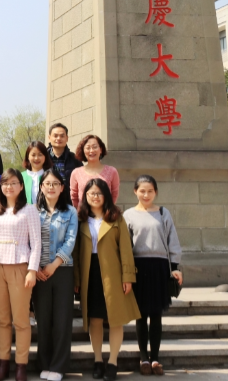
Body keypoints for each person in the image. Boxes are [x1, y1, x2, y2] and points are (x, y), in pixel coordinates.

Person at [73, 178, 140, 381]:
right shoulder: (80, 219)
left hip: (113, 273)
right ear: (85, 196)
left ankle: (112, 361)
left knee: (115, 319)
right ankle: (97, 360)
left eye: (99, 193)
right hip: (90, 272)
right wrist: (77, 279)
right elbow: (76, 253)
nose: (95, 197)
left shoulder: (116, 218)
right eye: (91, 193)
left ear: (106, 196)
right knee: (94, 319)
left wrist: (128, 276)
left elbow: (126, 250)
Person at [0, 169, 41, 381]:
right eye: (5, 183)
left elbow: (36, 243)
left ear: (21, 186)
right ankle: (3, 363)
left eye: (14, 183)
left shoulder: (30, 210)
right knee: (3, 320)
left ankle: (21, 366)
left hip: (20, 265)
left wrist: (32, 270)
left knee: (21, 320)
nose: (9, 187)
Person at [124, 176, 183, 377]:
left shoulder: (163, 213)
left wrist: (175, 267)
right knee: (140, 315)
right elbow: (125, 246)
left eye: (150, 191)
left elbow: (172, 241)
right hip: (138, 267)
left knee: (156, 314)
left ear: (155, 192)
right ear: (135, 191)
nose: (146, 195)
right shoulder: (128, 215)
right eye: (142, 191)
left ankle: (155, 358)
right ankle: (144, 359)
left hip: (160, 268)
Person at [33, 168, 78, 381]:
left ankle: (59, 366)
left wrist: (54, 264)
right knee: (43, 320)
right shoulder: (33, 211)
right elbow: (29, 241)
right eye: (47, 184)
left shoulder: (70, 212)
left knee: (62, 321)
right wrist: (36, 268)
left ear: (62, 188)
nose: (51, 187)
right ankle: (44, 363)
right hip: (39, 273)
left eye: (55, 184)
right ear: (41, 187)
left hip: (62, 271)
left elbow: (70, 241)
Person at [70, 135, 119, 208]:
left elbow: (114, 194)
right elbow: (74, 196)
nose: (91, 150)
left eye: (95, 147)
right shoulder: (76, 173)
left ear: (101, 149)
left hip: (105, 213)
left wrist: (108, 210)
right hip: (83, 214)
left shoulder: (112, 171)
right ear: (83, 151)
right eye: (88, 148)